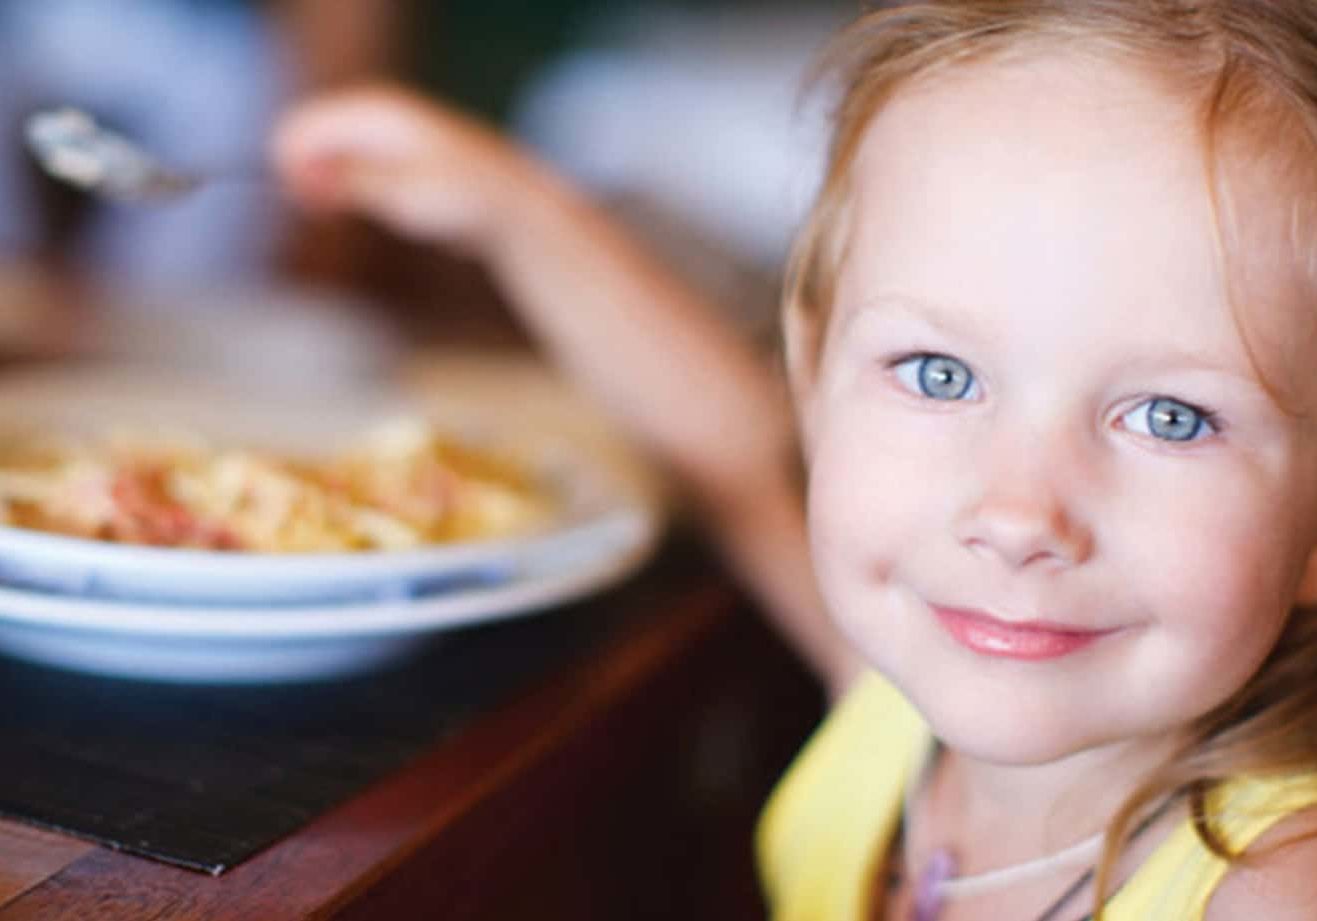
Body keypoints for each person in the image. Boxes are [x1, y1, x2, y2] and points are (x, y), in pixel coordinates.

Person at [271, 2, 1317, 917]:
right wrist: (513, 213)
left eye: (1172, 417)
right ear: (816, 378)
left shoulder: (1274, 890)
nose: (1017, 514)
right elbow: (725, 450)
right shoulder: (896, 713)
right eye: (939, 374)